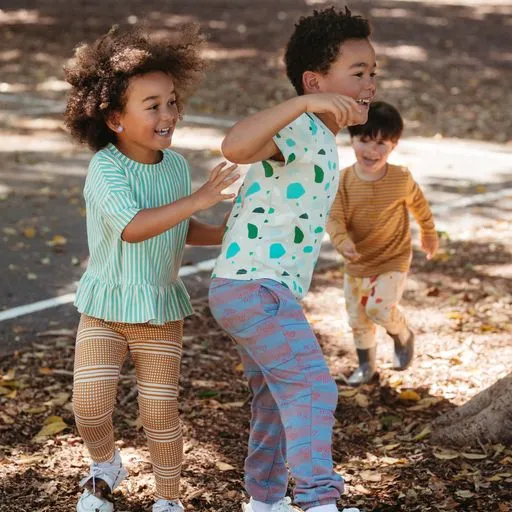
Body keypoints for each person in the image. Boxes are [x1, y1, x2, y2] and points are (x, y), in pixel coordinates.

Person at [63, 25, 238, 512]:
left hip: (160, 309)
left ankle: (169, 499)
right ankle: (105, 465)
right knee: (89, 406)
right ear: (116, 119)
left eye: (173, 101)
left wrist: (228, 229)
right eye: (153, 104)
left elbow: (179, 227)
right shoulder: (106, 168)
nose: (169, 114)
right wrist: (201, 197)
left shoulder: (176, 167)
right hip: (106, 305)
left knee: (160, 414)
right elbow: (134, 227)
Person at [208, 7, 376, 512]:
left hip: (252, 289)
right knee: (312, 389)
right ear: (314, 81)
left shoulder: (321, 139)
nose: (370, 83)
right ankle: (320, 501)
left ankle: (263, 500)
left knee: (275, 401)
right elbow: (235, 145)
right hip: (255, 291)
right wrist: (303, 103)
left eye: (374, 72)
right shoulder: (300, 126)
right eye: (358, 72)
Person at [326, 101, 439, 386]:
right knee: (359, 319)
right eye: (364, 141)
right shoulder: (342, 181)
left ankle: (402, 334)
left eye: (381, 144)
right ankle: (366, 367)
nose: (372, 151)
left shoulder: (400, 178)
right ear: (351, 139)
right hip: (357, 262)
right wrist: (342, 241)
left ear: (394, 145)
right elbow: (334, 217)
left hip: (393, 258)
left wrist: (428, 233)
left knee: (378, 308)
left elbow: (420, 206)